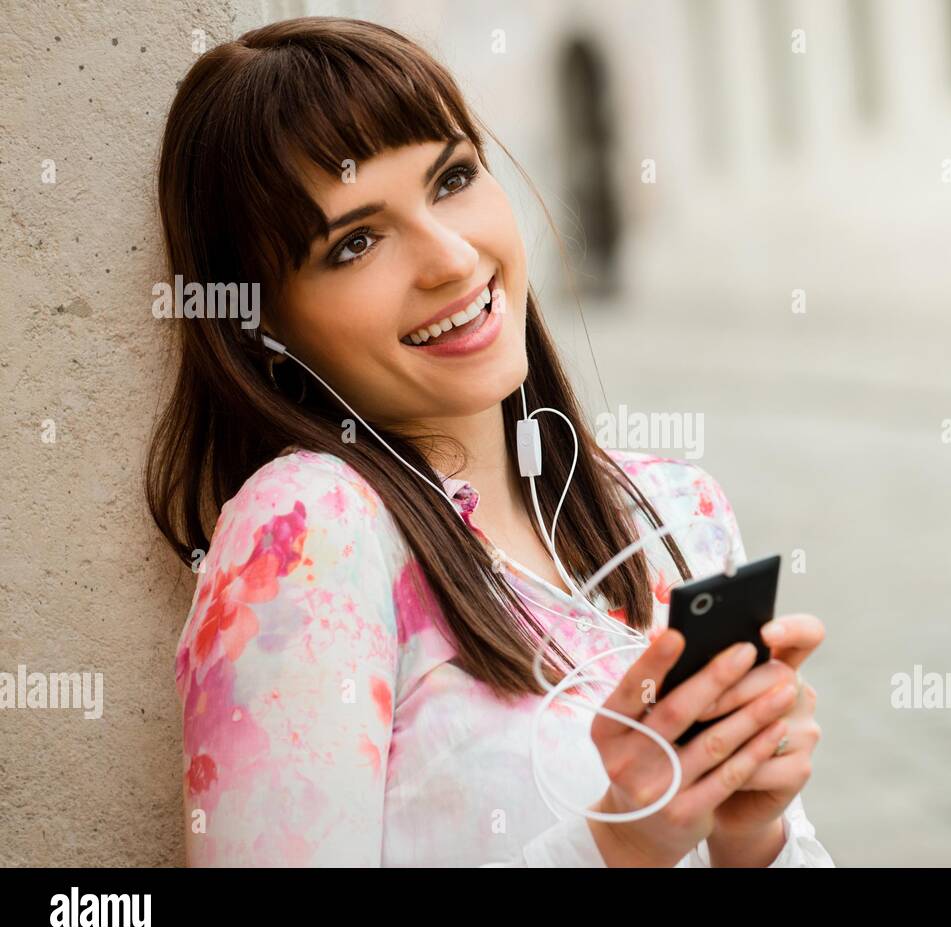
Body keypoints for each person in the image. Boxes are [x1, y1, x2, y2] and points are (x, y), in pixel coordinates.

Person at [146, 16, 833, 867]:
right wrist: (615, 842)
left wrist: (752, 834)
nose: (449, 256)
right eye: (355, 242)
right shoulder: (307, 536)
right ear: (260, 328)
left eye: (453, 178)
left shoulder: (673, 511)